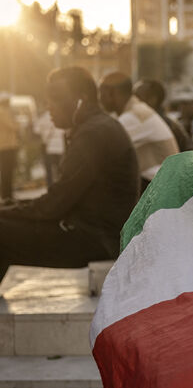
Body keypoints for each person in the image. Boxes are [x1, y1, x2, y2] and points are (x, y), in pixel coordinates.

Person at [0, 67, 139, 279]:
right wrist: (9, 208)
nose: (49, 106)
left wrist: (7, 210)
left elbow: (54, 205)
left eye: (56, 98)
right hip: (96, 232)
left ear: (81, 99)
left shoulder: (93, 133)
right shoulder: (95, 126)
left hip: (97, 239)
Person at [100, 72, 179, 189]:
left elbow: (100, 150)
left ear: (112, 93)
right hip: (160, 184)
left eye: (101, 93)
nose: (99, 99)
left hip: (162, 187)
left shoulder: (134, 116)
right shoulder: (135, 110)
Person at [134, 79, 191, 152]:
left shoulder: (164, 125)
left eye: (137, 96)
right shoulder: (143, 122)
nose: (133, 101)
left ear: (152, 100)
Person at [35, 110, 65, 186]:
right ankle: (61, 184)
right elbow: (63, 131)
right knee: (60, 167)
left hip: (48, 146)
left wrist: (44, 131)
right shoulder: (60, 116)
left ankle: (50, 186)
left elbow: (36, 129)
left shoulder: (42, 117)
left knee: (49, 169)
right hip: (59, 145)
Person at [0, 95, 18, 205]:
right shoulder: (3, 112)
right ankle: (7, 196)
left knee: (6, 172)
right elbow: (14, 126)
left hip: (5, 146)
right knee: (7, 172)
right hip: (7, 146)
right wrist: (16, 122)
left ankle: (7, 195)